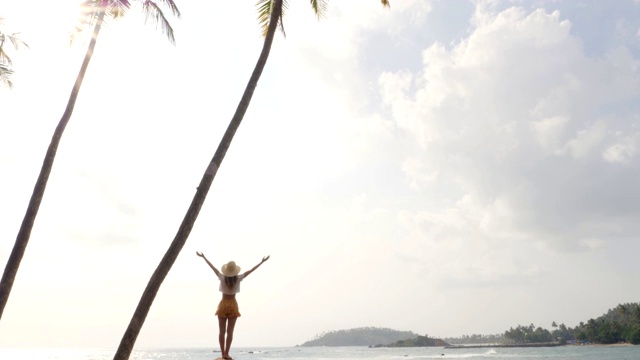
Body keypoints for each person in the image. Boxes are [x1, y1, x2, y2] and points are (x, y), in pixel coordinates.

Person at [196, 251, 270, 360]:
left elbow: (213, 268)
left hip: (223, 304)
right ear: (234, 271)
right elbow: (251, 271)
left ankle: (222, 354)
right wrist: (261, 262)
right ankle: (226, 353)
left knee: (221, 332)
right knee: (230, 332)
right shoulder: (238, 278)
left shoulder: (222, 277)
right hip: (233, 305)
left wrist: (204, 257)